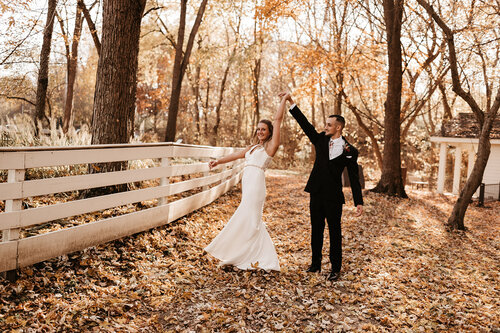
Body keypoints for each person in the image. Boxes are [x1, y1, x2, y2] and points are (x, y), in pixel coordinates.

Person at [282, 92, 363, 281]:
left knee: (335, 232)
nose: (325, 127)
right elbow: (305, 125)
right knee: (316, 229)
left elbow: (354, 177)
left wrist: (358, 202)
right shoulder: (320, 139)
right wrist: (291, 103)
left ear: (338, 127)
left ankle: (335, 268)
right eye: (325, 124)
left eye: (329, 124)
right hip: (316, 193)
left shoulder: (350, 150)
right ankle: (315, 264)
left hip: (334, 197)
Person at [203, 93, 288, 271]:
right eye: (258, 129)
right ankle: (249, 255)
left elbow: (278, 120)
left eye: (263, 129)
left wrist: (283, 100)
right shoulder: (253, 147)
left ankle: (251, 257)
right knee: (249, 219)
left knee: (250, 219)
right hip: (247, 186)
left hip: (256, 187)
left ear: (270, 132)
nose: (260, 132)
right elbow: (236, 155)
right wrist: (218, 161)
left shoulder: (270, 148)